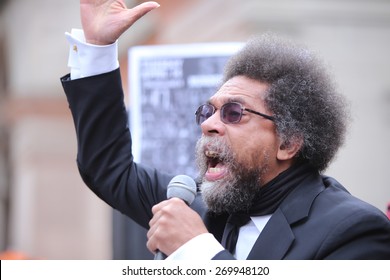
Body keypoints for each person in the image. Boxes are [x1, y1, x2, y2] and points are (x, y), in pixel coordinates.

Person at [61, 0, 390, 260]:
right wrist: (98, 48)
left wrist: (197, 252)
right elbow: (108, 169)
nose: (207, 124)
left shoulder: (353, 230)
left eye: (234, 113)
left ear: (288, 143)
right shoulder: (199, 205)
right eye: (207, 110)